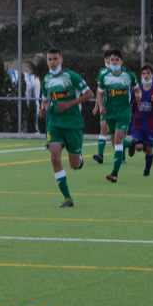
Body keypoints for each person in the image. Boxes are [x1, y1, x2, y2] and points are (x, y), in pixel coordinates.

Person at [38, 48, 91, 207]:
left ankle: (79, 159)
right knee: (54, 157)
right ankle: (67, 198)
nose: (52, 62)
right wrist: (42, 109)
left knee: (74, 165)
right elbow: (46, 100)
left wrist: (69, 103)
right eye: (49, 59)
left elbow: (89, 94)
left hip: (73, 123)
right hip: (54, 123)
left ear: (62, 60)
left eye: (55, 59)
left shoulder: (71, 76)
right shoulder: (46, 79)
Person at [98, 48, 137, 183]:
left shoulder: (129, 76)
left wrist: (138, 98)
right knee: (115, 144)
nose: (114, 62)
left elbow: (137, 90)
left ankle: (114, 173)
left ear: (122, 61)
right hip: (110, 113)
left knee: (119, 139)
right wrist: (101, 107)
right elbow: (100, 93)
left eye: (117, 60)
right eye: (112, 59)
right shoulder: (104, 77)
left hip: (124, 112)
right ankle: (131, 144)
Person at [130, 64, 153, 176]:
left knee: (149, 149)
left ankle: (146, 171)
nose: (146, 75)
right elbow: (128, 103)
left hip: (151, 125)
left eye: (148, 73)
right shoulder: (136, 91)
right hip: (138, 123)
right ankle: (134, 146)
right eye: (143, 73)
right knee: (138, 147)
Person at [91, 50, 113, 164]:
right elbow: (99, 90)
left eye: (110, 58)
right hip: (105, 105)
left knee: (117, 133)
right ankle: (100, 155)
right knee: (103, 128)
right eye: (106, 59)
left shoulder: (121, 72)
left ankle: (125, 152)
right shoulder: (102, 72)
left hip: (116, 105)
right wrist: (96, 106)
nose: (108, 61)